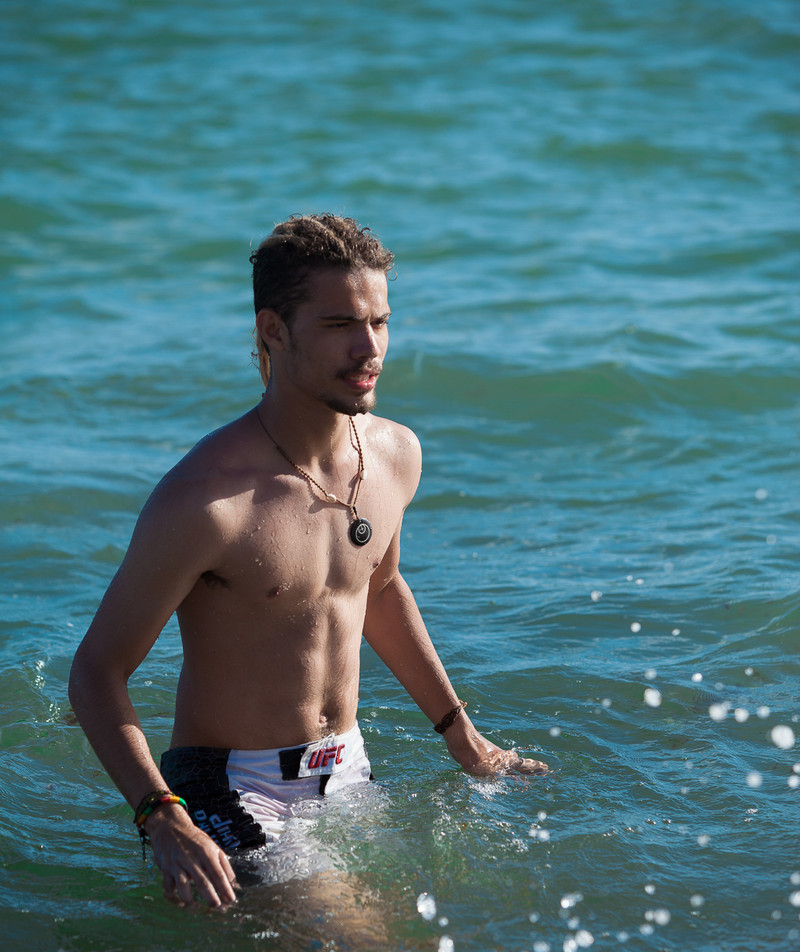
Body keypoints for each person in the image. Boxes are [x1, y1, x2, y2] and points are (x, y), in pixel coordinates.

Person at [69, 214, 548, 910]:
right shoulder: (207, 501)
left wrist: (467, 742)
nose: (370, 348)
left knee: (455, 932)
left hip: (347, 769)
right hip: (226, 788)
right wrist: (162, 815)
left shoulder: (394, 457)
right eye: (340, 326)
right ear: (273, 331)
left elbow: (379, 592)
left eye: (381, 322)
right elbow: (95, 672)